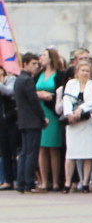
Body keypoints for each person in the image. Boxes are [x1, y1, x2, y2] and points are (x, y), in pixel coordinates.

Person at [62, 60, 92, 192]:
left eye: (87, 71)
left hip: (88, 121)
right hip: (73, 122)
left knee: (88, 153)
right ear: (77, 72)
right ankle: (67, 182)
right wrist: (69, 114)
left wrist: (81, 109)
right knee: (71, 153)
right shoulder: (71, 84)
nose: (85, 73)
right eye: (82, 70)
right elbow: (67, 98)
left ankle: (85, 182)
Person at [35, 48, 66, 192]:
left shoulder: (59, 74)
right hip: (40, 112)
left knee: (53, 148)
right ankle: (44, 181)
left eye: (44, 55)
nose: (42, 57)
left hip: (52, 112)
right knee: (41, 148)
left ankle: (55, 181)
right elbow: (31, 89)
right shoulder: (38, 74)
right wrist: (38, 94)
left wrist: (50, 96)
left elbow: (61, 93)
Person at [12, 53, 44, 193]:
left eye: (37, 64)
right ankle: (28, 183)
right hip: (32, 121)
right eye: (33, 64)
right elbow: (34, 101)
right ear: (25, 64)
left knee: (25, 152)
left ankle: (21, 183)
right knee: (31, 153)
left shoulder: (19, 79)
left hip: (24, 121)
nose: (35, 67)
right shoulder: (27, 80)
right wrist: (42, 118)